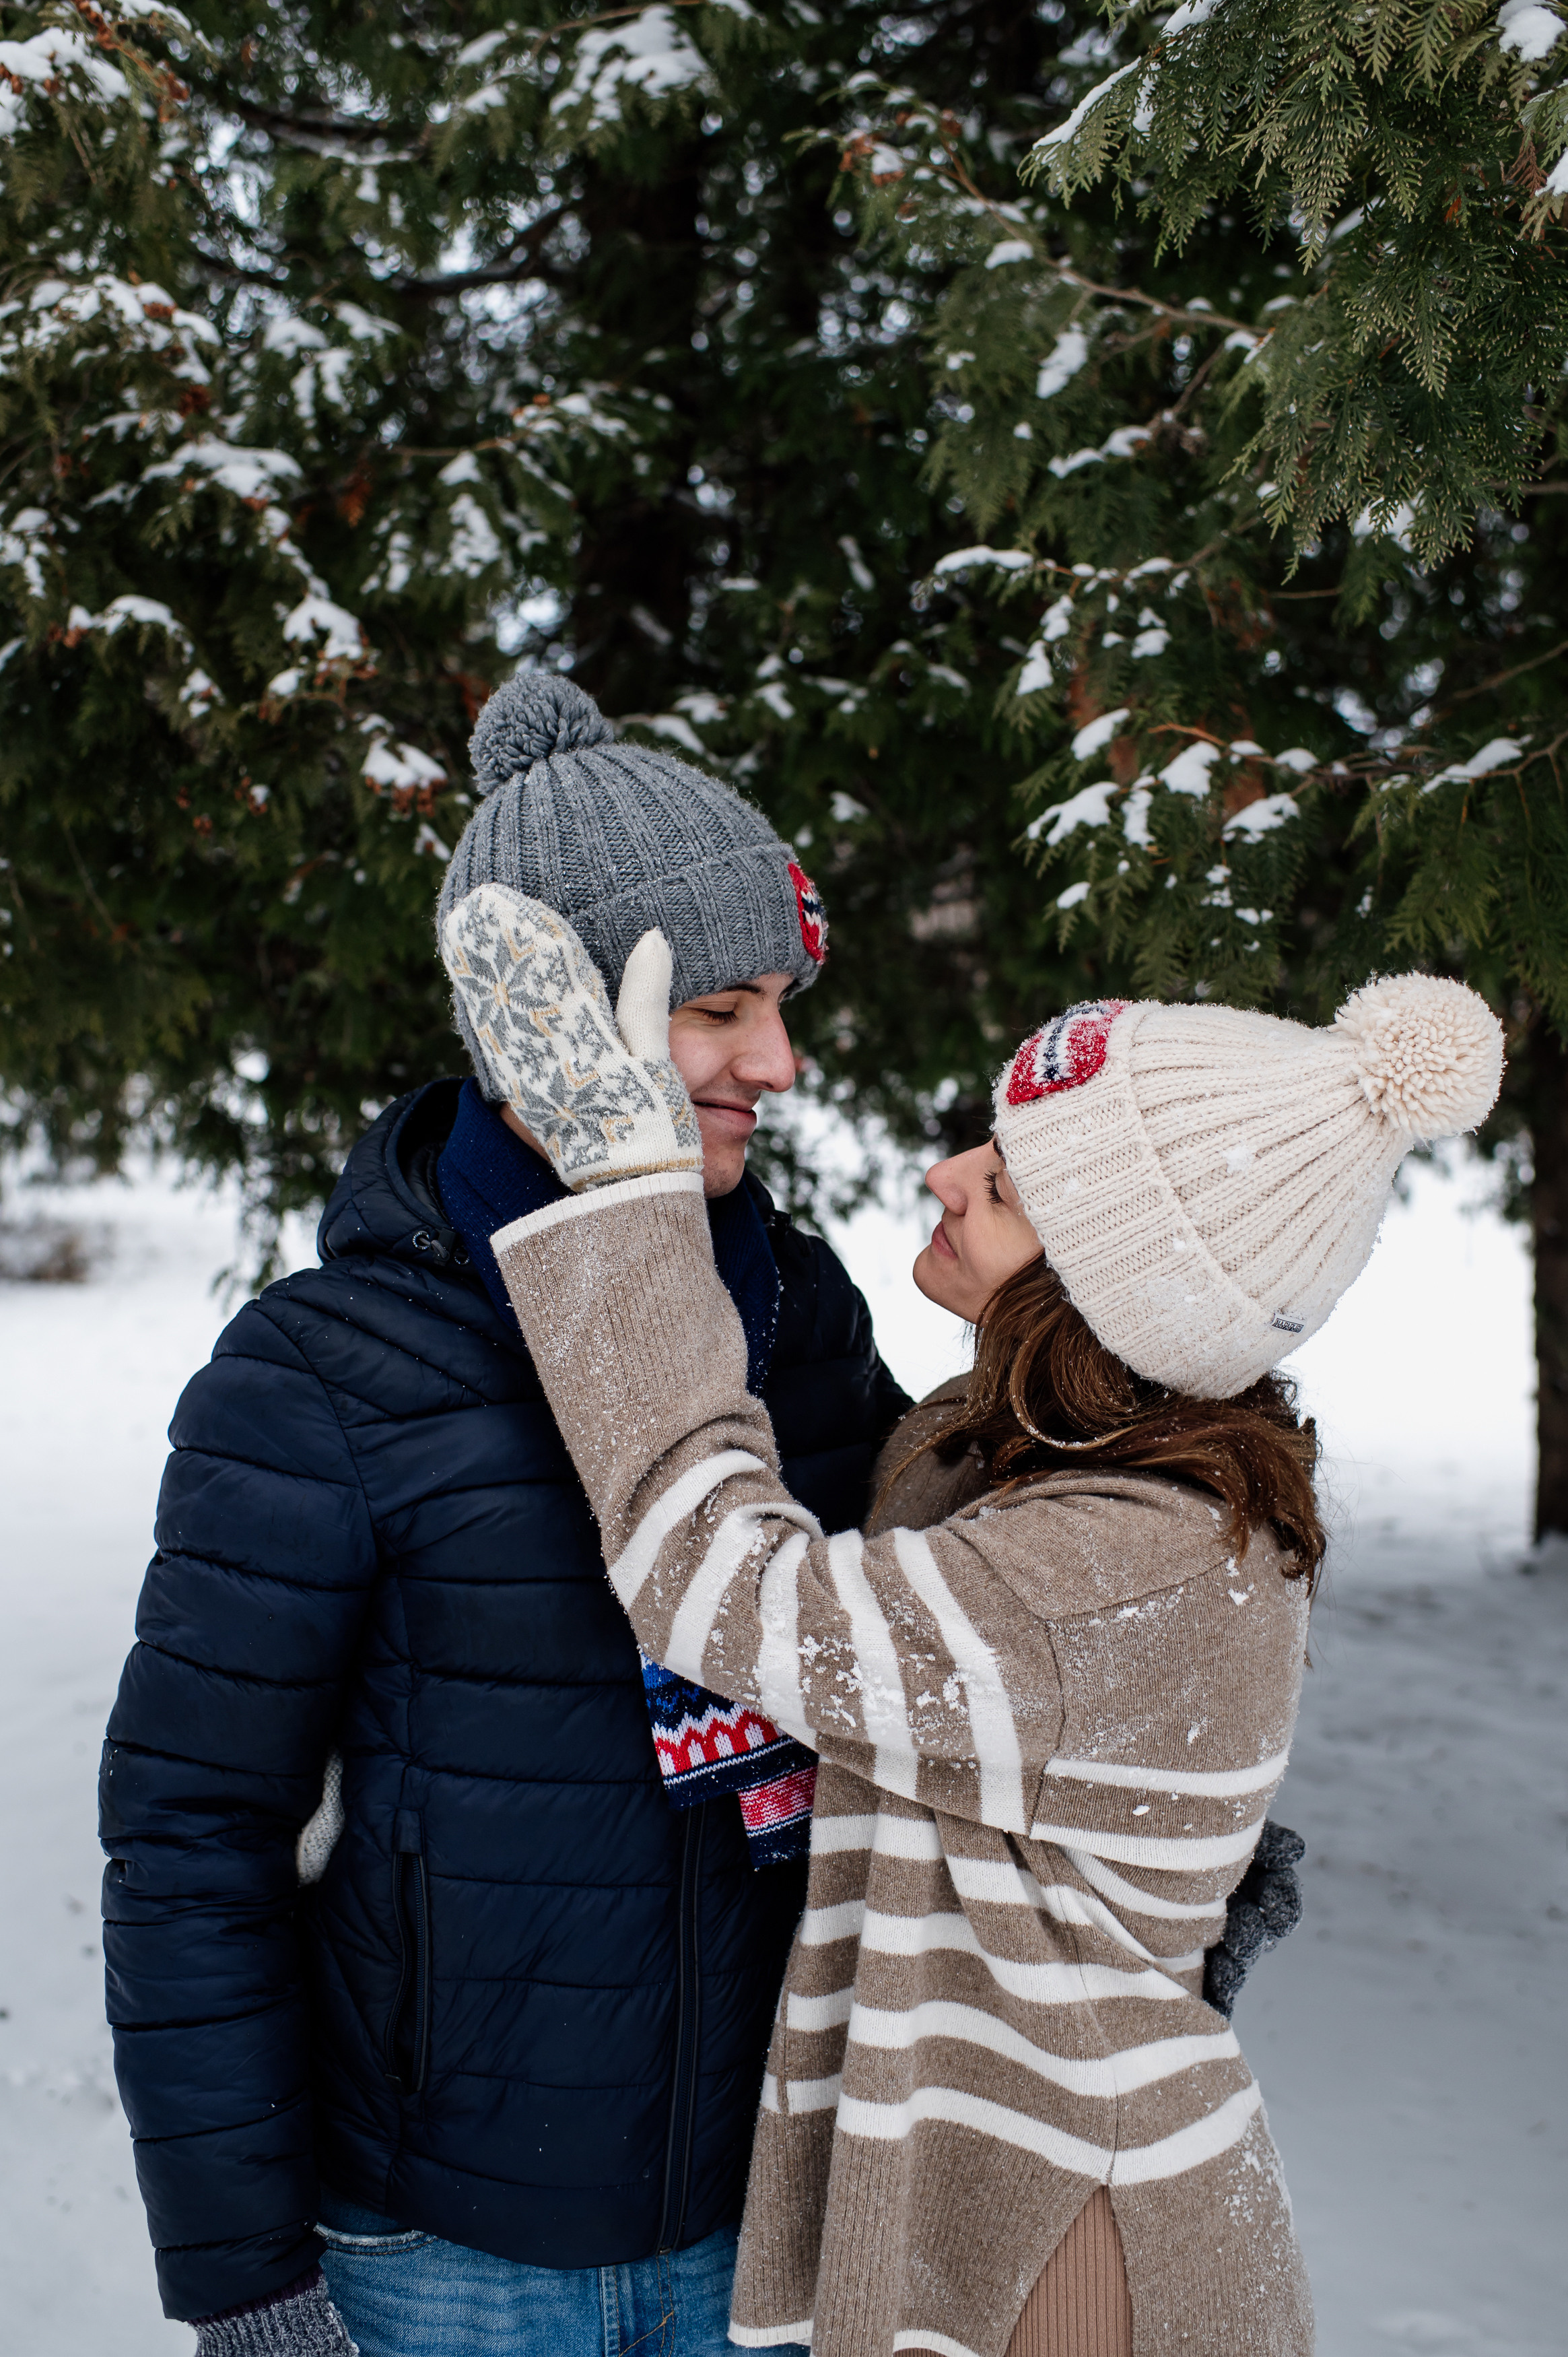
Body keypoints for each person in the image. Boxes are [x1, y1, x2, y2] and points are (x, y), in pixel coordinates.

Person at [436, 891, 1505, 2357]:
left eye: (999, 1186)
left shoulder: (1117, 1551)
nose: (942, 1173)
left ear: (1100, 1291)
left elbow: (726, 1582)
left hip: (1061, 2244)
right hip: (1017, 2178)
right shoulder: (1048, 1454)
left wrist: (630, 1204)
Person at [99, 675, 909, 2357]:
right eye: (724, 1010)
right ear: (558, 1014)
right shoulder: (328, 1372)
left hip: (770, 2235)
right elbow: (193, 1842)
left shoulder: (797, 1320)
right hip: (444, 2255)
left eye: (782, 1005)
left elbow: (941, 1665)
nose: (780, 1060)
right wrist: (247, 2278)